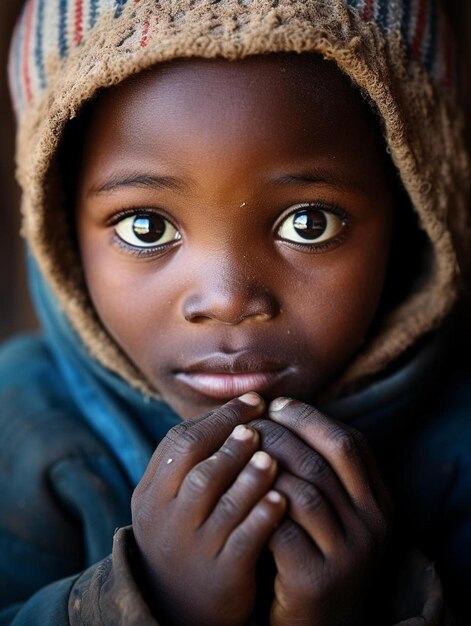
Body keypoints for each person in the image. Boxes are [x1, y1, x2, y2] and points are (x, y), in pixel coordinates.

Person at [1, 0, 469, 624]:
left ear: (414, 218)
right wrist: (145, 601)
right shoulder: (20, 425)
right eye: (145, 226)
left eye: (309, 223)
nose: (226, 298)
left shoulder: (459, 440)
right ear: (60, 231)